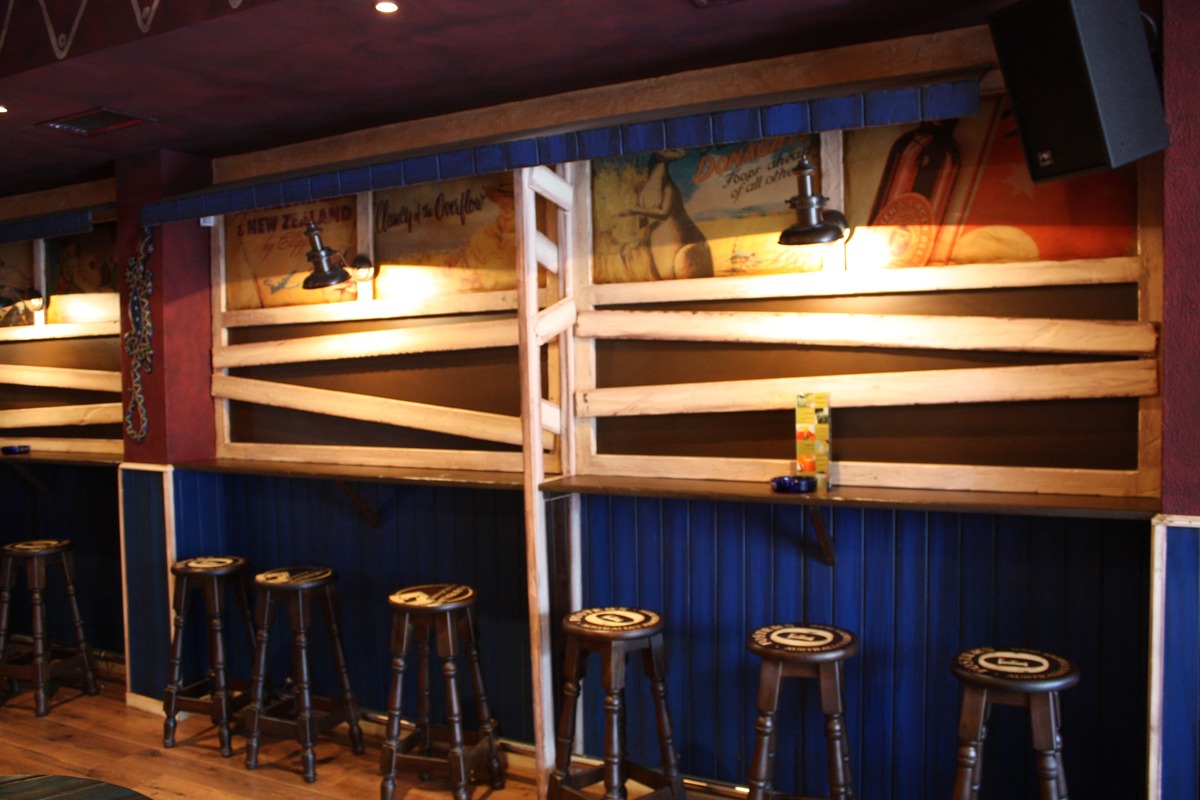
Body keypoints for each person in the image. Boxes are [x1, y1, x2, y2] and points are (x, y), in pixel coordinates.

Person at [619, 150, 713, 280]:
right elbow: (647, 218)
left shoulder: (668, 187)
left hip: (680, 243)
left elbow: (664, 213)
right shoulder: (648, 188)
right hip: (660, 242)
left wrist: (636, 210)